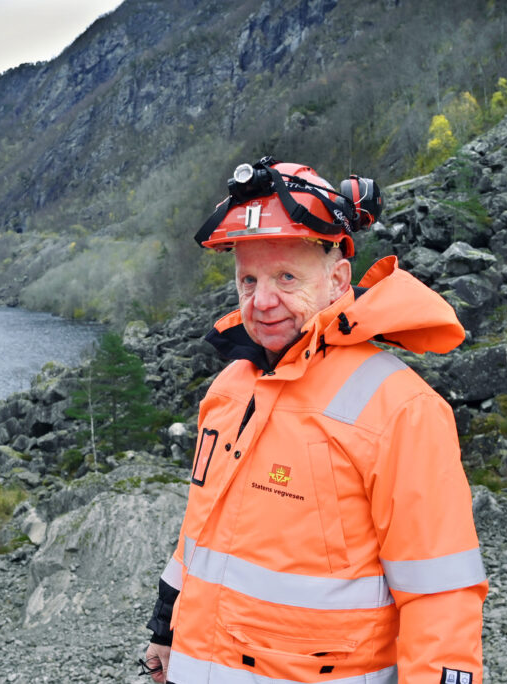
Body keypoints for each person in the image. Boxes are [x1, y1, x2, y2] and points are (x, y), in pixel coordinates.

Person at [143, 157, 487, 684]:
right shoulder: (229, 389)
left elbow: (439, 592)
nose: (263, 301)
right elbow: (200, 535)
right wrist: (167, 630)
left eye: (286, 277)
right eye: (249, 279)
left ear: (337, 277)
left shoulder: (400, 408)